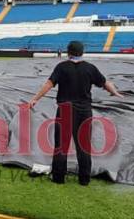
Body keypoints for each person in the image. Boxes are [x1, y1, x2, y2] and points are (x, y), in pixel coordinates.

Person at [29, 40, 123, 185]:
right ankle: (84, 179)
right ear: (82, 52)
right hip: (84, 111)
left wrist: (35, 99)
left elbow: (49, 84)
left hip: (65, 111)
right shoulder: (90, 68)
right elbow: (105, 83)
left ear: (68, 52)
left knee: (61, 145)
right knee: (83, 146)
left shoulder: (61, 67)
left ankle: (58, 177)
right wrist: (115, 92)